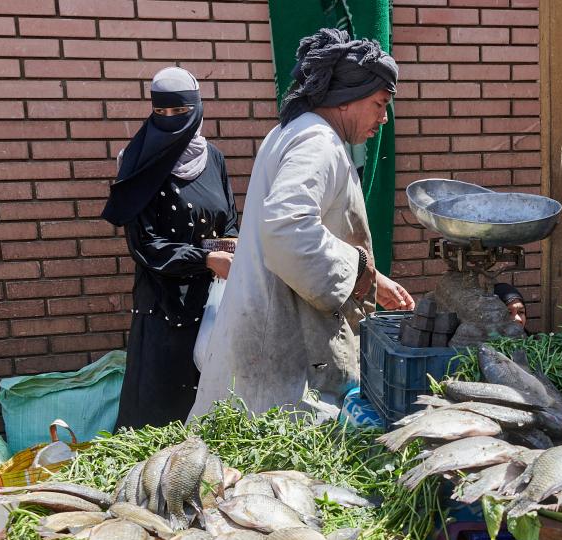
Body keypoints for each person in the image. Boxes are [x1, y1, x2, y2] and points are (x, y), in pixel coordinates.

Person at [189, 29, 415, 422]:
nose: (384, 117)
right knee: (274, 472)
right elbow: (287, 228)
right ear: (347, 100)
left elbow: (311, 231)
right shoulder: (316, 141)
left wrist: (374, 280)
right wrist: (360, 271)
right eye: (379, 104)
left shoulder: (295, 132)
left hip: (269, 338)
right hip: (281, 351)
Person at [102, 67, 239, 430]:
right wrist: (207, 257)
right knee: (158, 419)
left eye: (179, 112)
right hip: (164, 308)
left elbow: (228, 223)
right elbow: (146, 244)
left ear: (196, 109)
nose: (169, 121)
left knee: (211, 414)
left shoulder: (214, 158)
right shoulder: (138, 162)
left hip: (212, 306)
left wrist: (230, 246)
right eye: (161, 113)